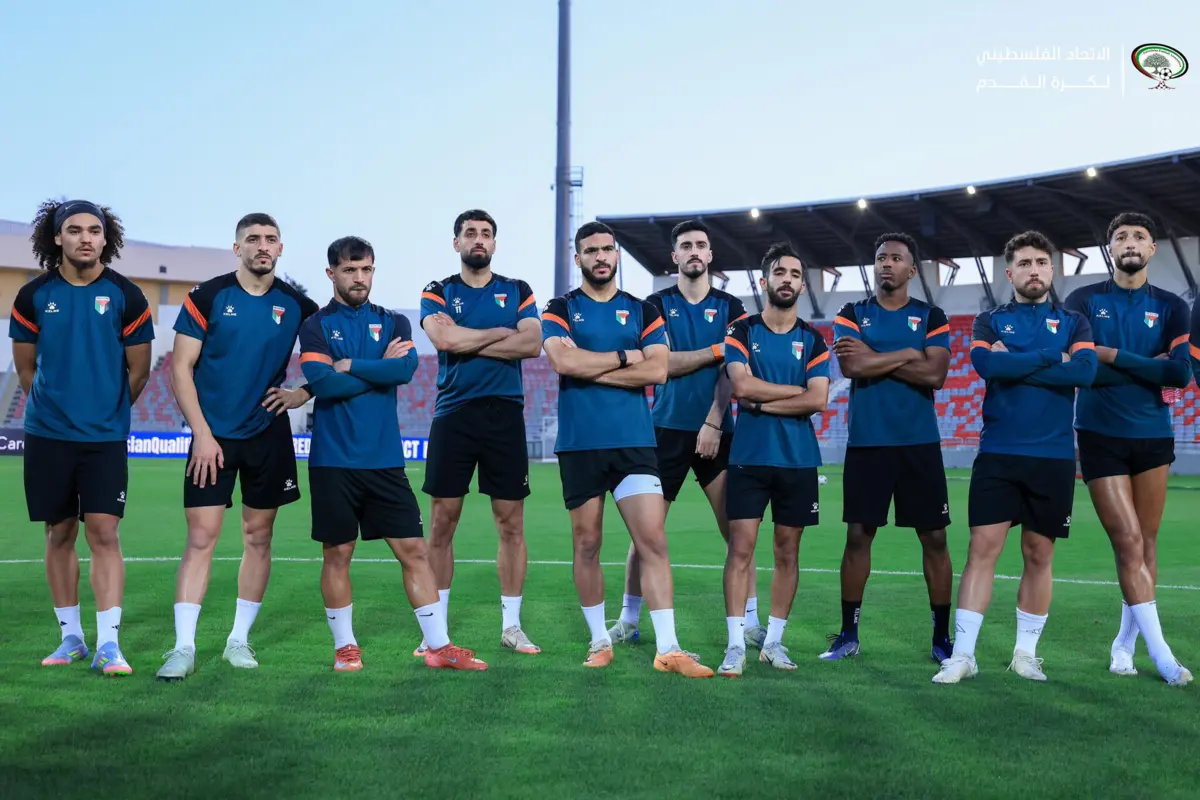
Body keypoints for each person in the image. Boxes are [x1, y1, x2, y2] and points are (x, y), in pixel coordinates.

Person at [297, 236, 486, 672]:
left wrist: (353, 366)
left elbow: (404, 369)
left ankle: (438, 646)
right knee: (337, 554)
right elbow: (321, 384)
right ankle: (345, 647)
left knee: (414, 551)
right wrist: (376, 370)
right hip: (333, 460)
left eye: (365, 270)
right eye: (349, 270)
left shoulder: (395, 322)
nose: (358, 278)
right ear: (332, 274)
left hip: (384, 461)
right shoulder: (316, 325)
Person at [541, 220, 713, 677]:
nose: (601, 257)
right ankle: (600, 639)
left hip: (636, 442)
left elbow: (657, 371)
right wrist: (624, 357)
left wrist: (590, 368)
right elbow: (562, 360)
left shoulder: (642, 310)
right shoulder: (559, 307)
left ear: (616, 256)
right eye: (591, 251)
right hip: (580, 443)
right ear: (578, 259)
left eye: (607, 250)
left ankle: (669, 648)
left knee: (653, 540)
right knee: (588, 543)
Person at [156, 213, 318, 681]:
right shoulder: (209, 296)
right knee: (201, 539)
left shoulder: (297, 305)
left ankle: (237, 641)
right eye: (253, 239)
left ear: (281, 249)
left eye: (270, 240)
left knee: (258, 537)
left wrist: (301, 393)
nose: (262, 246)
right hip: (214, 437)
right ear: (237, 248)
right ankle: (183, 647)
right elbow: (180, 367)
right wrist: (202, 434)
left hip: (267, 433)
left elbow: (335, 352)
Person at [933, 231, 1098, 685]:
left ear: (1052, 270)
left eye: (1042, 262)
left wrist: (1020, 363)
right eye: (1024, 263)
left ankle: (1026, 654)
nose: (1034, 270)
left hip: (1054, 456)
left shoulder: (1075, 323)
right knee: (981, 550)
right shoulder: (989, 321)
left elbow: (1084, 371)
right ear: (1010, 273)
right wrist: (1051, 358)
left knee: (1039, 553)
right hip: (1000, 453)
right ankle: (963, 656)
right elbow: (988, 367)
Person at [9, 199, 154, 675]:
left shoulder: (127, 296)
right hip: (48, 435)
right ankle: (71, 638)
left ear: (104, 237)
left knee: (104, 532)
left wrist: (103, 413)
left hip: (105, 437)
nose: (85, 238)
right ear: (57, 238)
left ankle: (109, 645)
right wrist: (56, 412)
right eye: (74, 230)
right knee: (59, 532)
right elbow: (27, 369)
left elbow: (139, 372)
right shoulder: (32, 297)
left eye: (94, 230)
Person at [608, 219, 765, 649]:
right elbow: (661, 366)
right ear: (674, 256)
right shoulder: (655, 304)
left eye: (701, 245)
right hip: (664, 431)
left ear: (710, 255)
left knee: (737, 533)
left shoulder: (733, 308)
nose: (694, 251)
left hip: (718, 431)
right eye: (685, 246)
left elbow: (733, 371)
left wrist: (715, 419)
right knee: (646, 535)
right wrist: (711, 352)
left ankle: (750, 623)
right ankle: (628, 619)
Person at [1064, 212, 1192, 685]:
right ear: (1110, 248)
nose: (1130, 243)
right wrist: (1147, 365)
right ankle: (1162, 655)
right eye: (1121, 236)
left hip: (1152, 433)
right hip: (1099, 432)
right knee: (1128, 540)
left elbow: (1181, 374)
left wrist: (1113, 355)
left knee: (1148, 542)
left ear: (1152, 249)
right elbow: (1084, 369)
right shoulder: (1083, 299)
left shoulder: (1174, 306)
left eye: (1139, 236)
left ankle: (1124, 644)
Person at [415, 210, 543, 658]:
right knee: (442, 523)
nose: (479, 240)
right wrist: (498, 333)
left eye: (486, 233)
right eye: (470, 233)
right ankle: (436, 632)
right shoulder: (438, 290)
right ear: (456, 243)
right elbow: (444, 342)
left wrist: (470, 336)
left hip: (505, 415)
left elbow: (531, 343)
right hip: (454, 414)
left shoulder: (518, 290)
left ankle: (511, 626)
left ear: (495, 243)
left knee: (511, 524)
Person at [823, 232, 954, 663]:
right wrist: (908, 355)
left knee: (934, 537)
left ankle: (940, 637)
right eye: (881, 257)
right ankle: (848, 634)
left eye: (896, 258)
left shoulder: (931, 315)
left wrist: (878, 353)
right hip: (868, 443)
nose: (887, 264)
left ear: (911, 270)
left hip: (918, 443)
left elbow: (936, 375)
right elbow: (851, 364)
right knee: (858, 536)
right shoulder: (850, 312)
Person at [718, 243, 830, 677]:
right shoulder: (741, 331)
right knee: (740, 551)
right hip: (749, 457)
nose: (787, 279)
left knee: (788, 552)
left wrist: (764, 403)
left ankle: (775, 642)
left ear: (802, 284)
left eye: (795, 273)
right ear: (765, 281)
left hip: (798, 460)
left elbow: (818, 399)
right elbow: (741, 387)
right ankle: (734, 645)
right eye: (779, 272)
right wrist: (794, 394)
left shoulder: (813, 338)